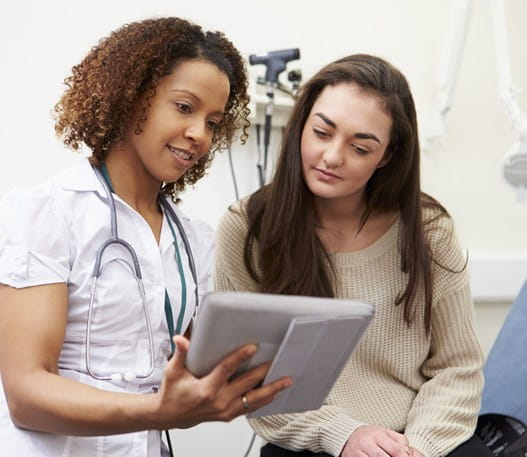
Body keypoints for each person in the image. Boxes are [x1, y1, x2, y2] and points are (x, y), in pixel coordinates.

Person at [0, 17, 292, 457]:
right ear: (131, 95)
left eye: (213, 122)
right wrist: (156, 409)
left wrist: (239, 378)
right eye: (184, 107)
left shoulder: (194, 241)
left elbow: (191, 366)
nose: (199, 135)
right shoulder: (49, 213)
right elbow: (27, 394)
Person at [214, 54, 490, 457]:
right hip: (314, 440)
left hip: (420, 441)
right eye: (322, 132)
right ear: (302, 123)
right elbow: (253, 382)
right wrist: (344, 435)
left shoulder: (428, 231)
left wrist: (416, 448)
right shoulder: (247, 228)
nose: (331, 157)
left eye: (360, 147)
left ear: (388, 156)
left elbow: (457, 368)